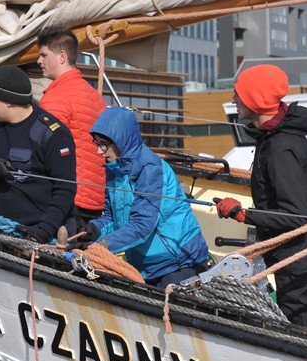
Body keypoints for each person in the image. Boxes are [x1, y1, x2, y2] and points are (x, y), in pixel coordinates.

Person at [214, 64, 307, 330]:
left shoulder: (280, 147)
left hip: (301, 261)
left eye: (238, 94)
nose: (233, 100)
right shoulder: (273, 138)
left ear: (255, 99)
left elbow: (298, 216)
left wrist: (244, 214)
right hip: (297, 255)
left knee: (305, 333)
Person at [69, 107, 208, 288]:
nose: (99, 151)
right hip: (145, 266)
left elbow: (143, 225)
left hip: (179, 264)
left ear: (121, 141)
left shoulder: (149, 168)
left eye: (104, 144)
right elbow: (113, 218)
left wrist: (104, 245)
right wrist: (94, 229)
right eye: (97, 143)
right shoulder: (114, 169)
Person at [0, 65, 77, 244]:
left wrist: (43, 230)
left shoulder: (52, 134)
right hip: (6, 229)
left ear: (8, 101)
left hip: (45, 234)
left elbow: (65, 190)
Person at [36, 26, 107, 230]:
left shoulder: (56, 97)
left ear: (62, 56)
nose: (39, 61)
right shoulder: (94, 96)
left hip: (67, 200)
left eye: (43, 55)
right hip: (94, 199)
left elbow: (43, 148)